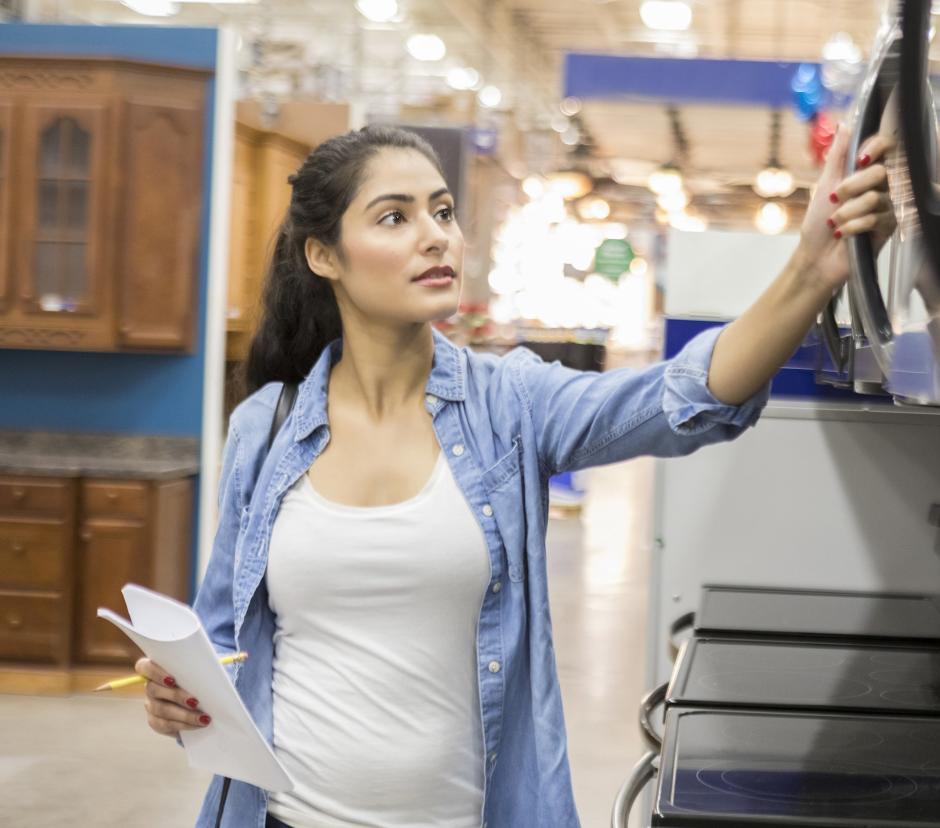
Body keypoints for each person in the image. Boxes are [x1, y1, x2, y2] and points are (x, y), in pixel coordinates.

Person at [135, 123, 896, 828]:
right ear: (324, 254)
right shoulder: (264, 426)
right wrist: (179, 697)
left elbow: (682, 401)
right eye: (395, 217)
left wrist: (812, 268)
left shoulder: (510, 406)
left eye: (441, 211)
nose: (436, 236)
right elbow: (224, 642)